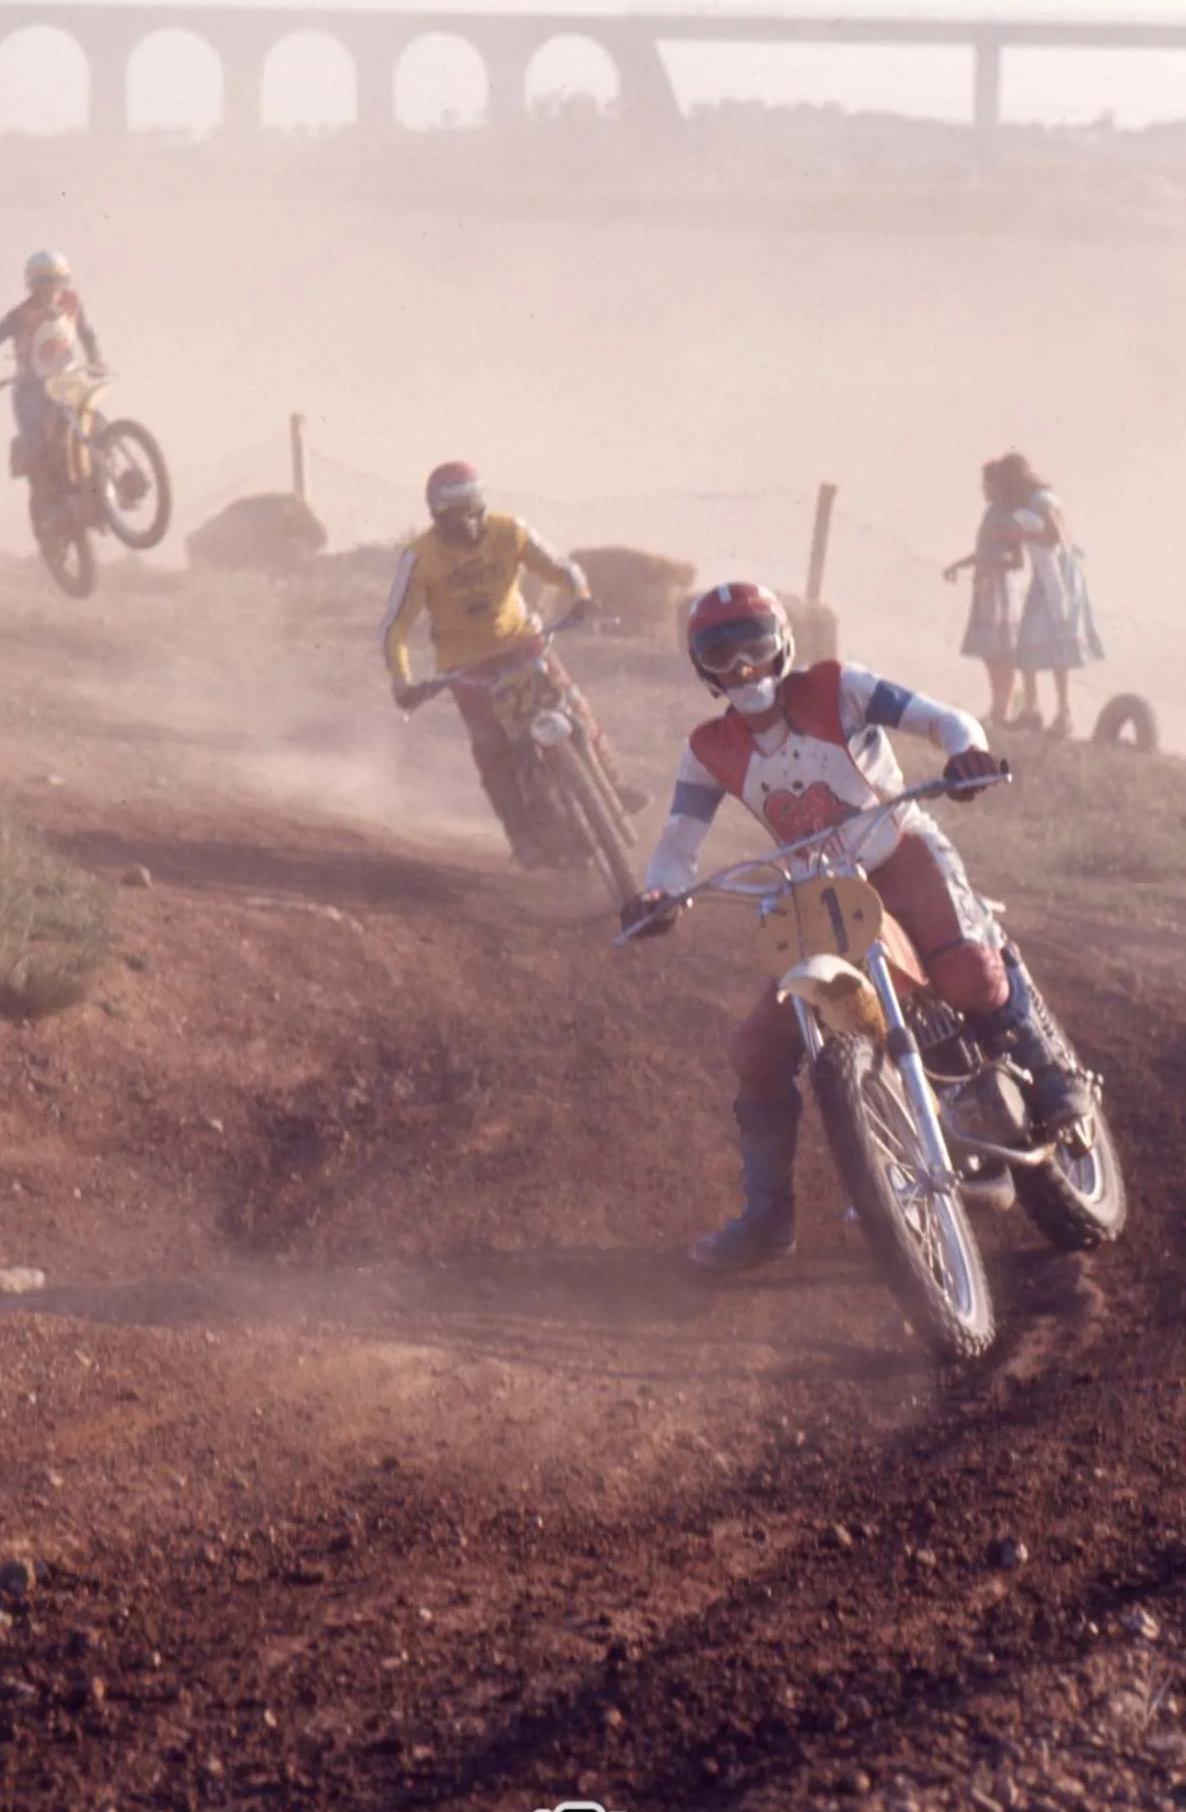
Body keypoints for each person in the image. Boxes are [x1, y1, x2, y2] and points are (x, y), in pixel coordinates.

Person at [621, 581, 1090, 1275]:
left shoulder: (839, 687)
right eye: (721, 656)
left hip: (900, 853)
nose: (743, 667)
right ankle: (767, 1215)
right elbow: (678, 841)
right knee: (756, 1049)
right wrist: (660, 891)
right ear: (703, 670)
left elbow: (944, 719)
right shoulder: (708, 748)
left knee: (968, 973)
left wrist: (967, 752)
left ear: (782, 643)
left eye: (755, 646)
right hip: (818, 895)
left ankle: (1050, 1076)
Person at [380, 460, 645, 865]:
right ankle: (521, 833)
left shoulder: (510, 531)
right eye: (452, 513)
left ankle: (613, 784)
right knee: (491, 746)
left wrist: (582, 596)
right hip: (465, 666)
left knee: (574, 707)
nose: (465, 522)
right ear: (435, 514)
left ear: (482, 503)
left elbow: (560, 567)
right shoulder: (420, 557)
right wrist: (402, 679)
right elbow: (395, 624)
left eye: (470, 508)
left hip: (524, 643)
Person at [0, 251, 104, 521]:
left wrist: (95, 359)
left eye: (56, 281)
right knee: (35, 444)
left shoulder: (72, 302)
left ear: (65, 282)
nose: (50, 288)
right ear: (32, 285)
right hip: (30, 389)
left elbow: (86, 332)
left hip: (67, 381)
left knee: (98, 423)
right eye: (43, 282)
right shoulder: (20, 315)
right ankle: (49, 508)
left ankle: (107, 482)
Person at [992, 451, 1103, 740]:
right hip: (1045, 577)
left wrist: (1018, 537)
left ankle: (1063, 713)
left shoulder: (1042, 500)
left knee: (1056, 641)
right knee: (1028, 641)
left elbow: (1056, 536)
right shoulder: (1031, 502)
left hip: (1059, 578)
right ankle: (1033, 710)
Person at [944, 459, 1030, 730]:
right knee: (990, 652)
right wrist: (959, 565)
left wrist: (990, 570)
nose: (983, 488)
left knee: (1001, 651)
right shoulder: (991, 513)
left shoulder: (1008, 517)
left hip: (999, 589)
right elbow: (984, 551)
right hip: (986, 587)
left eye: (987, 484)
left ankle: (1001, 710)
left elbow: (1017, 560)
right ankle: (998, 708)